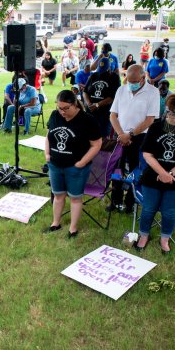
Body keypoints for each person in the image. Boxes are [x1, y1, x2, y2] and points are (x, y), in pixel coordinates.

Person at [134, 93, 175, 254]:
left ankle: (164, 239)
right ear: (167, 111)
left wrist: (170, 173)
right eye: (173, 115)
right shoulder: (156, 127)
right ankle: (144, 235)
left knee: (169, 212)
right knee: (148, 208)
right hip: (153, 176)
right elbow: (147, 154)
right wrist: (162, 173)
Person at [45, 89, 102, 238]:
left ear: (75, 104)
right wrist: (47, 154)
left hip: (76, 167)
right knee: (58, 195)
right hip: (55, 165)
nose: (62, 112)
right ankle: (55, 223)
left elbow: (97, 144)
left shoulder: (88, 120)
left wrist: (82, 162)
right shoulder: (55, 115)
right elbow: (48, 136)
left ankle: (73, 228)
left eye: (66, 108)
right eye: (60, 108)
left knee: (75, 198)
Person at [109, 64, 160, 212]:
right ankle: (115, 200)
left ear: (143, 78)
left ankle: (131, 202)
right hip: (120, 135)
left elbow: (150, 119)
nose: (131, 84)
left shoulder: (153, 92)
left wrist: (130, 135)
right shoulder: (121, 89)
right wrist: (121, 134)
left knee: (135, 170)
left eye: (134, 81)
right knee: (116, 169)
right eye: (128, 81)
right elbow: (113, 115)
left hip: (139, 137)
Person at [83, 57, 121, 137]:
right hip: (90, 111)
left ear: (109, 69)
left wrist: (98, 104)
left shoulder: (115, 77)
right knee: (88, 133)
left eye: (103, 71)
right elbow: (85, 91)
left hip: (104, 113)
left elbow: (113, 97)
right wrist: (89, 103)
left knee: (102, 135)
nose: (101, 73)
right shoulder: (94, 75)